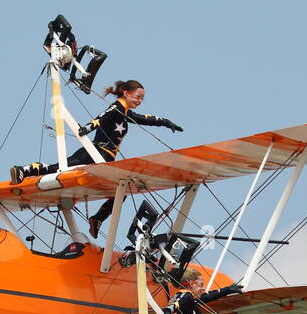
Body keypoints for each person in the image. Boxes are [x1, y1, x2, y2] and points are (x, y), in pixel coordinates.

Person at [9, 80, 183, 237]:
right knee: (64, 171)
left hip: (100, 156)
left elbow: (145, 119)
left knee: (115, 190)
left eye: (142, 99)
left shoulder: (124, 112)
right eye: (138, 97)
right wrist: (87, 128)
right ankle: (25, 170)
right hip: (96, 153)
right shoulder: (116, 108)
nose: (140, 101)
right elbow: (101, 117)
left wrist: (166, 122)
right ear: (126, 93)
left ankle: (96, 218)